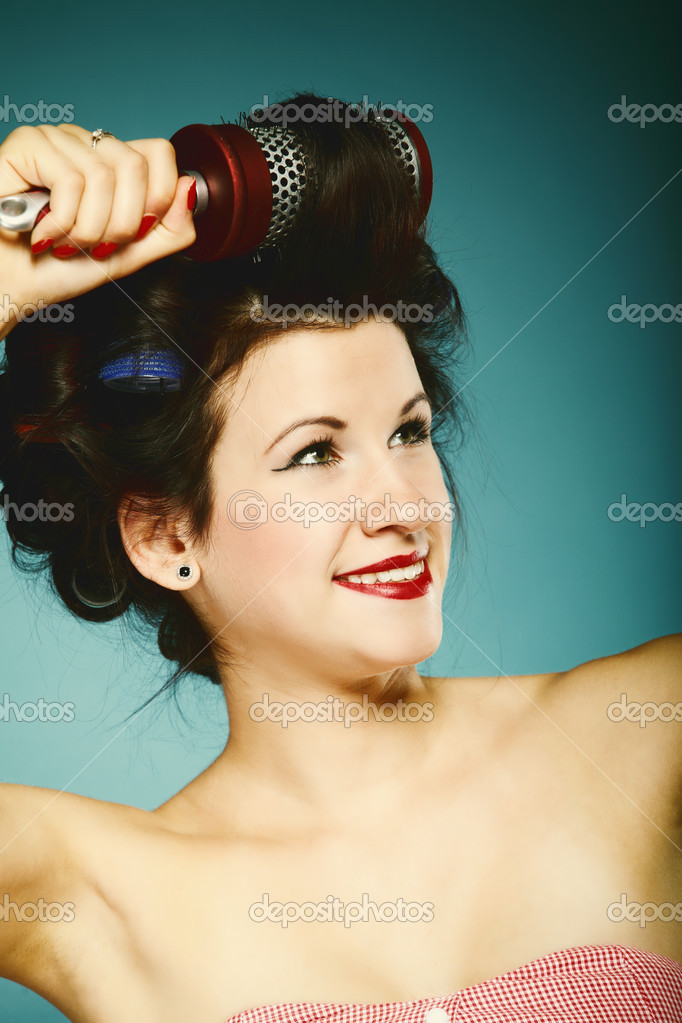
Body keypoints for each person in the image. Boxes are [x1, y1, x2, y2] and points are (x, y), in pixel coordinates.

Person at [0, 96, 680, 1023]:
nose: (405, 505)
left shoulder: (643, 736)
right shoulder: (95, 893)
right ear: (166, 536)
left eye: (409, 432)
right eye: (316, 453)